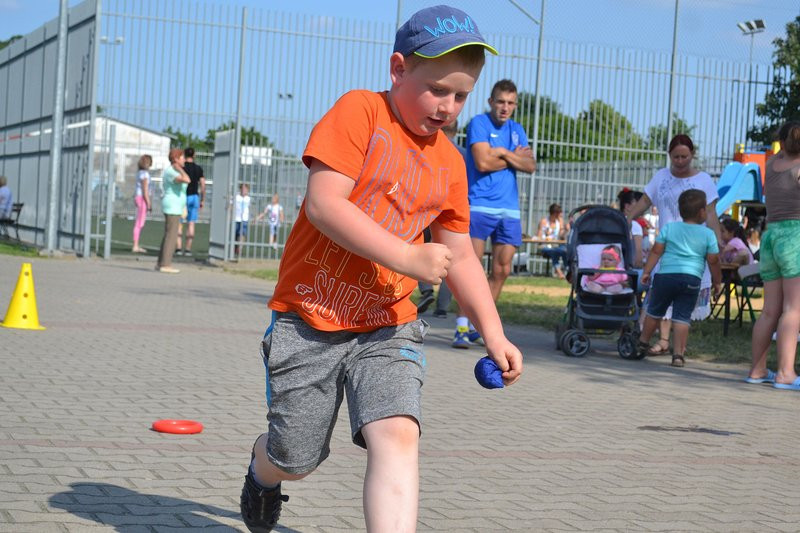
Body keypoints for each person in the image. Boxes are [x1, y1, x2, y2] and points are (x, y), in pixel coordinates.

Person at [240, 7, 523, 533]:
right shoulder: (360, 112)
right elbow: (325, 204)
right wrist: (407, 257)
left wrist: (494, 331)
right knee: (296, 457)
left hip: (388, 323)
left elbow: (459, 254)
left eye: (461, 96)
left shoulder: (449, 163)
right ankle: (263, 472)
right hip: (310, 320)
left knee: (397, 433)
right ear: (397, 69)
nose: (448, 107)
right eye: (437, 89)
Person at [452, 79, 535, 348]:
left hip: (508, 210)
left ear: (516, 105)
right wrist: (512, 157)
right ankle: (461, 328)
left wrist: (500, 151)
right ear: (491, 101)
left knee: (502, 271)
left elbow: (531, 165)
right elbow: (482, 162)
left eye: (510, 103)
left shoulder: (517, 129)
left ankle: (480, 327)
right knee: (471, 268)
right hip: (478, 205)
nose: (505, 108)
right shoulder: (479, 123)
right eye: (500, 102)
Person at [627, 134, 722, 356]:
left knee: (673, 301)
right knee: (661, 296)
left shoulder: (704, 180)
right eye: (675, 157)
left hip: (692, 249)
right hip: (667, 243)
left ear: (692, 155)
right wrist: (628, 217)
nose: (680, 162)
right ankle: (663, 342)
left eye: (684, 157)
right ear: (669, 156)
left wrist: (717, 237)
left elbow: (711, 213)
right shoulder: (661, 177)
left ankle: (663, 343)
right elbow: (644, 201)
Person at [638, 190, 722, 368]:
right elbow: (713, 261)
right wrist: (717, 281)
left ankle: (642, 343)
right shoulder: (708, 234)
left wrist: (647, 271)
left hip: (665, 277)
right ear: (701, 212)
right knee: (682, 317)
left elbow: (656, 251)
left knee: (655, 311)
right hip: (691, 279)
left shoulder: (669, 228)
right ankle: (678, 355)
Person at [747, 121, 800, 390]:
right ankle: (785, 373)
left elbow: (784, 146)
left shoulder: (772, 164)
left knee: (770, 310)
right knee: (793, 309)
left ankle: (757, 369)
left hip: (771, 237)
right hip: (795, 238)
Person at [417, 119, 464, 318]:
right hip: (452, 209)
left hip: (427, 205)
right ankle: (442, 307)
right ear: (456, 130)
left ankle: (426, 289)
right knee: (450, 258)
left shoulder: (431, 145)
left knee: (420, 247)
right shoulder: (462, 153)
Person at [156, 149, 190, 273]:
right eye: (182, 157)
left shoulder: (173, 171)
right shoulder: (172, 172)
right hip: (172, 206)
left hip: (176, 206)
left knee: (169, 234)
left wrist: (183, 206)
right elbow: (187, 180)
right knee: (171, 235)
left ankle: (160, 262)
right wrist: (179, 169)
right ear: (176, 159)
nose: (184, 160)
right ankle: (165, 264)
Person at [176, 147, 205, 257]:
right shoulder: (198, 168)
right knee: (191, 223)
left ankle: (178, 248)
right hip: (194, 197)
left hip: (182, 197)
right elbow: (203, 185)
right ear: (194, 155)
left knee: (179, 223)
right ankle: (187, 249)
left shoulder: (181, 167)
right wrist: (202, 199)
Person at [537, 203, 569, 279]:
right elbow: (538, 237)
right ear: (555, 213)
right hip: (545, 246)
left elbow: (561, 236)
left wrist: (565, 230)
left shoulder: (559, 221)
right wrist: (546, 237)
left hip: (556, 245)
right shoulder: (544, 222)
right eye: (559, 213)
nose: (561, 215)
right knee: (554, 252)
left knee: (565, 251)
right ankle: (559, 273)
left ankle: (568, 271)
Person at [132, 155, 152, 253]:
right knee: (139, 223)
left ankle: (136, 244)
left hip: (138, 197)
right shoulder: (145, 174)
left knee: (139, 222)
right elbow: (145, 190)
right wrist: (149, 203)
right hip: (142, 199)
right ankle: (135, 245)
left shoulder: (139, 173)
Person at [233, 183, 251, 257]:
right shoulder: (237, 197)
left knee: (242, 234)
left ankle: (240, 249)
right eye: (242, 189)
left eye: (245, 189)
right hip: (236, 218)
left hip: (244, 219)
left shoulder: (248, 198)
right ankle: (235, 247)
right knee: (236, 234)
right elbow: (232, 206)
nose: (244, 190)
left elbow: (249, 208)